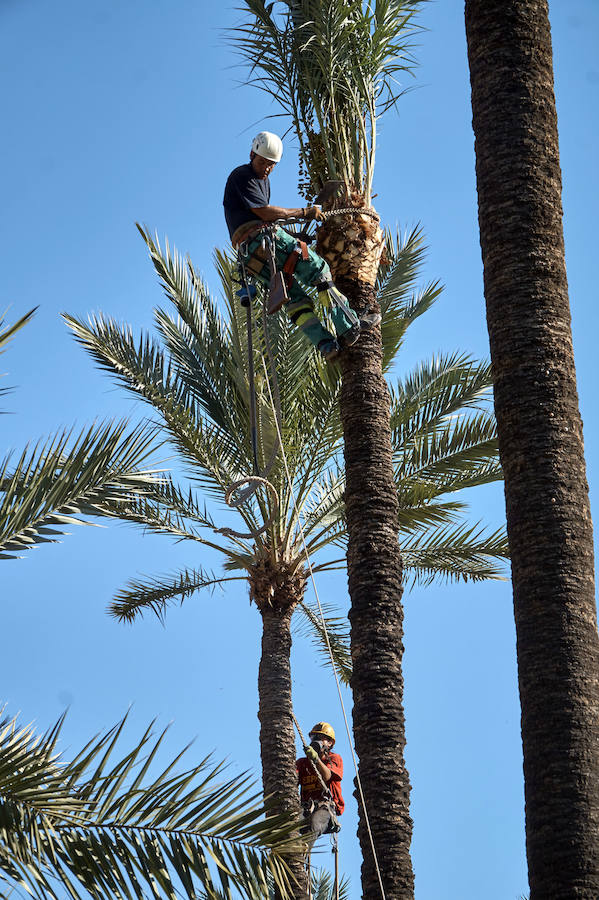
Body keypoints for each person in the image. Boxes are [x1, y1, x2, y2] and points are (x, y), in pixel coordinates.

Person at [223, 131, 371, 362]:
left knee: (295, 300)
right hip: (263, 241)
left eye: (271, 165)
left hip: (253, 258)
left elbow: (262, 217)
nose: (266, 168)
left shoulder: (263, 182)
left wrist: (295, 235)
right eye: (263, 162)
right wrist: (305, 212)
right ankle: (348, 325)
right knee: (318, 271)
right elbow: (263, 213)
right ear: (252, 154)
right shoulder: (242, 175)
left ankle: (326, 345)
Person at [296, 721, 344, 837]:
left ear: (330, 743)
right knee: (293, 824)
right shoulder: (303, 763)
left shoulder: (334, 759)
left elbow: (327, 776)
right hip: (307, 807)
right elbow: (291, 780)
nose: (316, 740)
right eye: (314, 737)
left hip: (326, 807)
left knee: (316, 823)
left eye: (321, 738)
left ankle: (305, 848)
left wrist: (316, 759)